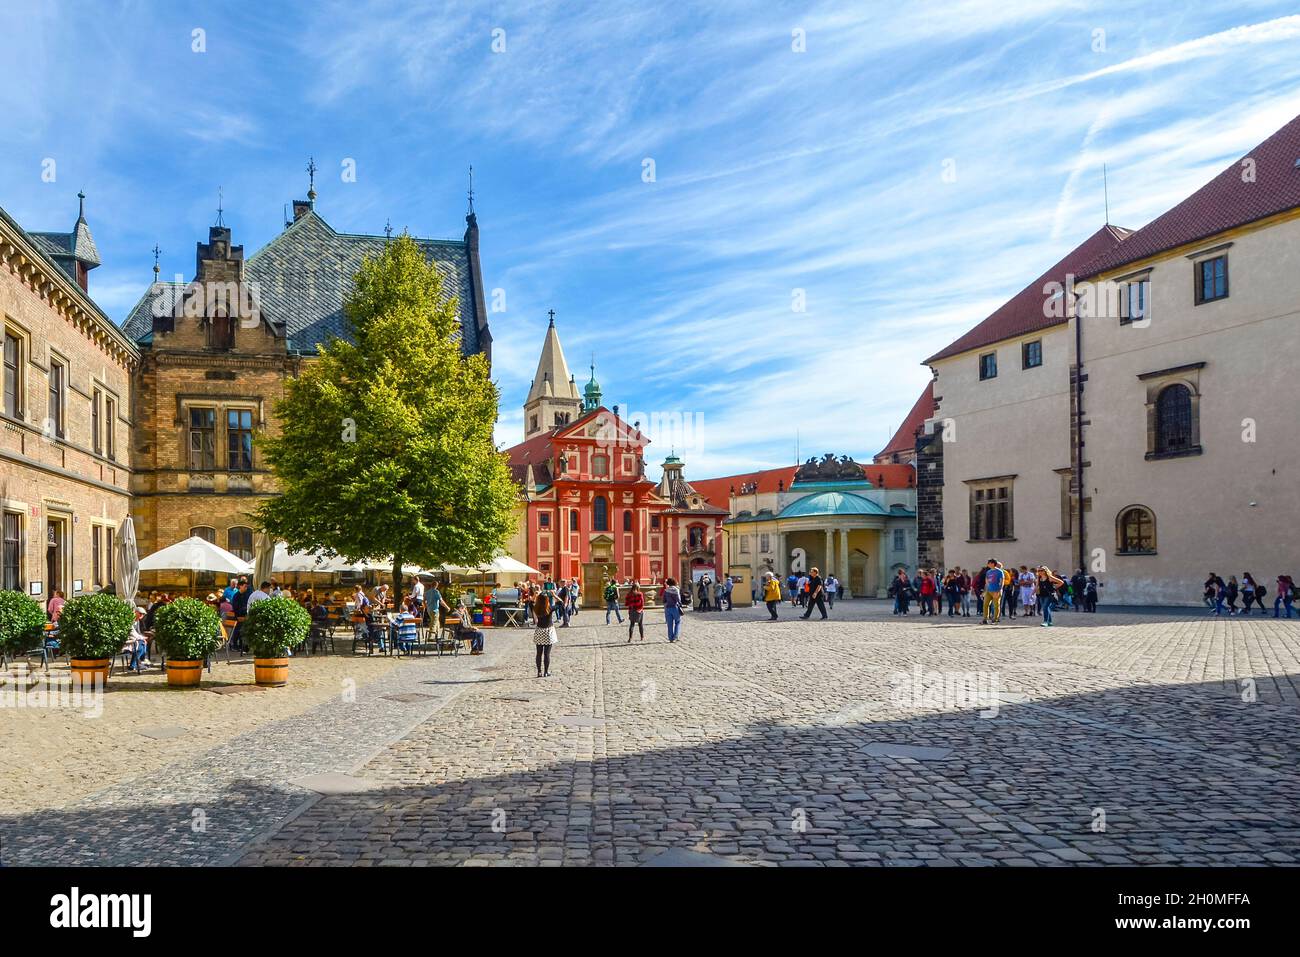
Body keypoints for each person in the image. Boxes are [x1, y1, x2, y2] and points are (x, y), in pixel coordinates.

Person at [532, 588, 556, 677]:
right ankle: (546, 672)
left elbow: (530, 602)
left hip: (539, 631)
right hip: (548, 631)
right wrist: (554, 595)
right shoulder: (549, 608)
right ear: (547, 600)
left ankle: (539, 672)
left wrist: (535, 595)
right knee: (547, 654)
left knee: (538, 653)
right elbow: (561, 603)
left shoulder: (536, 608)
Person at [981, 559, 1005, 624]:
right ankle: (985, 619)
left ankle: (995, 619)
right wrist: (985, 591)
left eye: (988, 563)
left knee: (996, 605)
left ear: (992, 563)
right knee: (985, 604)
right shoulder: (988, 572)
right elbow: (987, 582)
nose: (987, 564)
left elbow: (1001, 582)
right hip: (989, 591)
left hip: (996, 591)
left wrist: (998, 591)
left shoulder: (999, 572)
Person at [662, 577, 683, 642]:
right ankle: (675, 637)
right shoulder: (676, 590)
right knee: (677, 622)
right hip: (675, 608)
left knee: (669, 624)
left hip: (668, 608)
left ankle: (670, 638)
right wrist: (681, 606)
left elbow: (664, 600)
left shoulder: (666, 590)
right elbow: (679, 600)